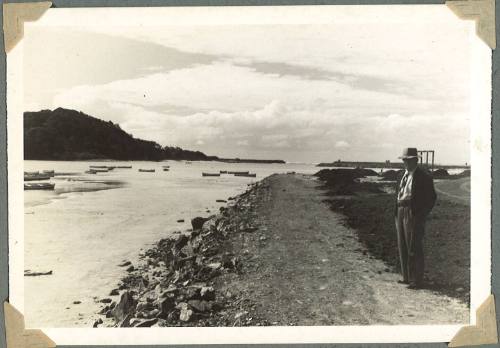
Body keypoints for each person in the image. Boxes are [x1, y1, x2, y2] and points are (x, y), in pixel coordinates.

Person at [394, 147, 436, 289]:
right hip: (400, 210)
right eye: (404, 160)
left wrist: (421, 215)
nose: (406, 162)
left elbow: (431, 198)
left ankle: (416, 280)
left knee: (414, 245)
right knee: (403, 245)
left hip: (413, 212)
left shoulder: (424, 176)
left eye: (409, 160)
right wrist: (397, 211)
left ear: (416, 160)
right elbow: (398, 194)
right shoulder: (401, 175)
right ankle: (406, 277)